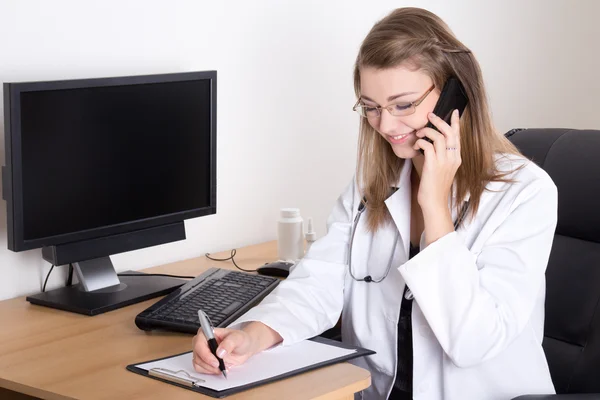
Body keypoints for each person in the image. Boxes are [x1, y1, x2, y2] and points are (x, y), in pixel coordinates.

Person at [192, 7, 558, 400]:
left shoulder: (525, 193)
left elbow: (473, 343)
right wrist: (253, 334)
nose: (384, 126)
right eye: (370, 107)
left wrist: (434, 206)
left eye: (403, 105)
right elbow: (320, 282)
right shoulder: (373, 186)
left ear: (455, 96)